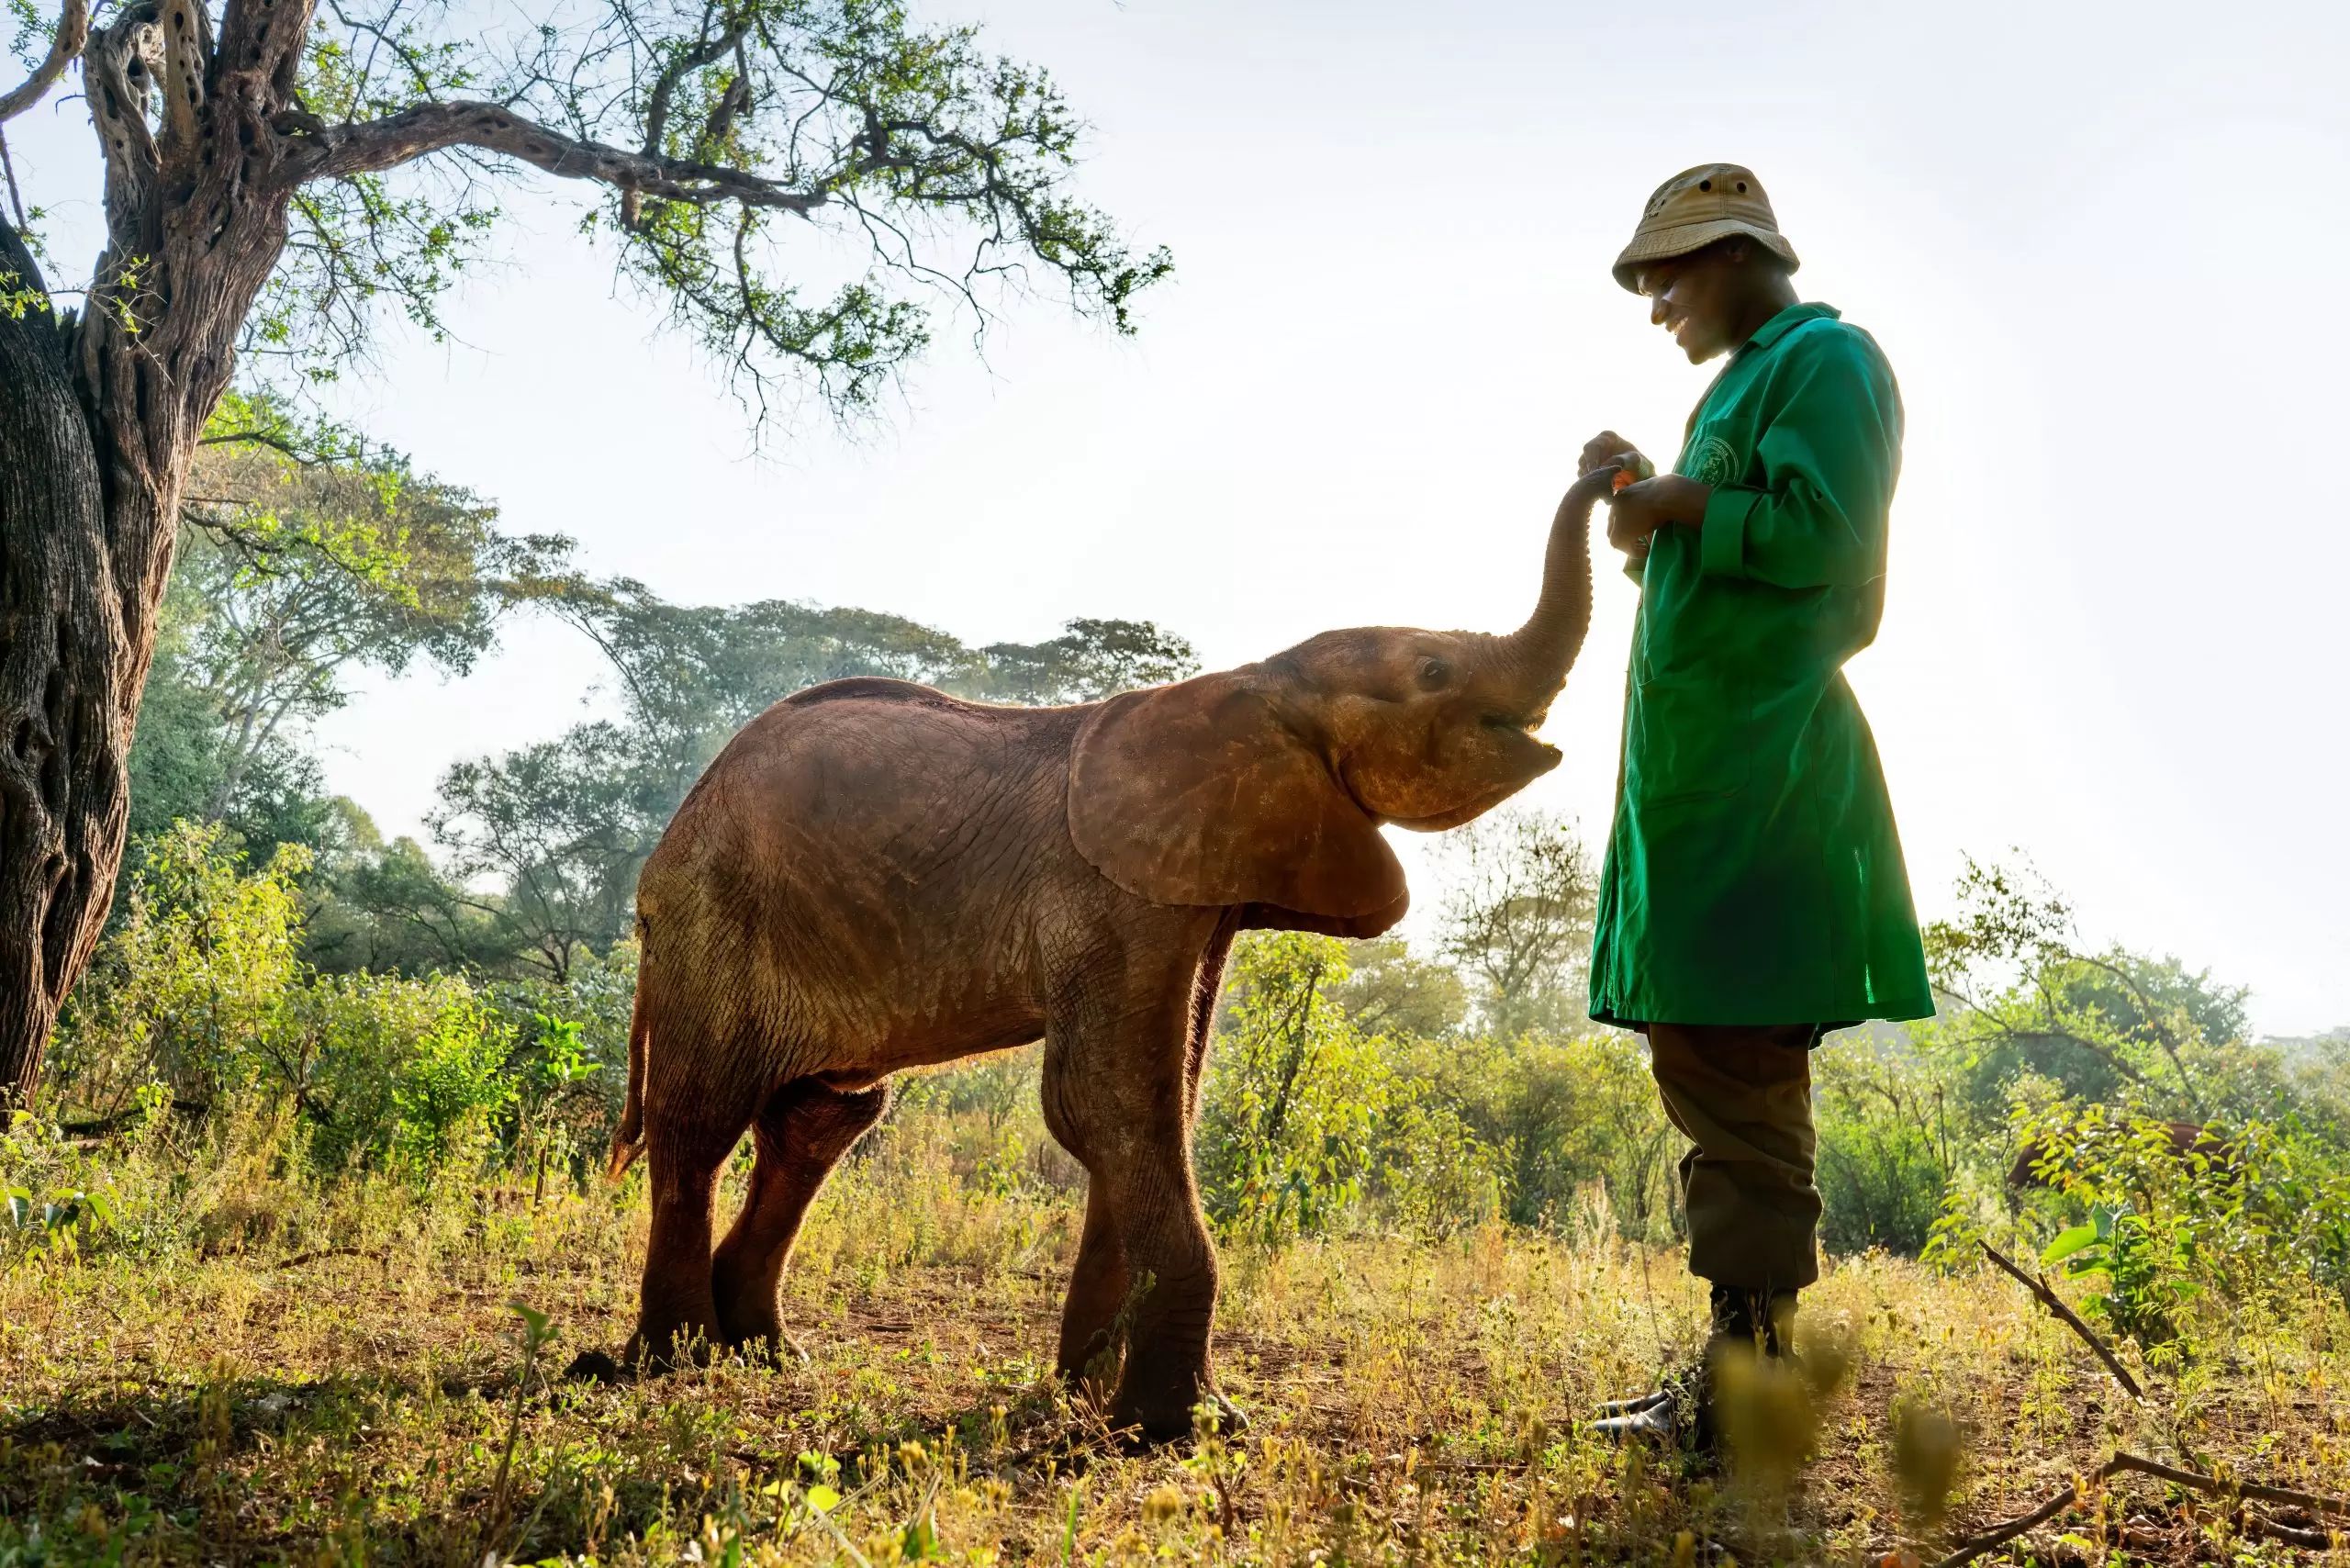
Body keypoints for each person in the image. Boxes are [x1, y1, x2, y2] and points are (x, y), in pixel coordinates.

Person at [1578, 163, 1933, 1447]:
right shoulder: (1735, 387)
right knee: (1713, 1066)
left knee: (1740, 1076)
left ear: (1735, 254)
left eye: (1667, 273)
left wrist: (1681, 505)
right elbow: (1727, 580)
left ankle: (1746, 1401)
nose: (1656, 302)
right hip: (1702, 786)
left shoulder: (1826, 361)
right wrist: (1649, 510)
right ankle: (1739, 1382)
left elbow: (1831, 555)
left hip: (1767, 784)